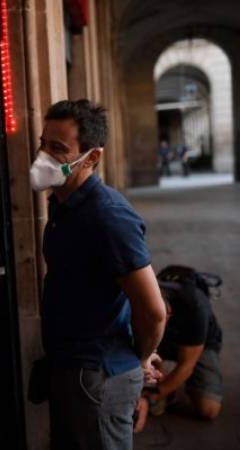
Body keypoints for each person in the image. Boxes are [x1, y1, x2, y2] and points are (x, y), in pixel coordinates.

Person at [29, 100, 167, 450]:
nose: (44, 155)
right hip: (72, 371)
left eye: (58, 149)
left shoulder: (108, 216)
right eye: (43, 143)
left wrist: (137, 357)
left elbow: (152, 310)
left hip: (98, 379)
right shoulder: (61, 203)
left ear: (92, 157)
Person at [135, 269, 223, 430]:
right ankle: (163, 383)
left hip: (200, 344)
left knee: (208, 409)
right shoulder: (139, 300)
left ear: (169, 313)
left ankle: (168, 387)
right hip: (161, 335)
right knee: (149, 360)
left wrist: (149, 398)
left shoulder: (195, 307)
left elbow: (186, 366)